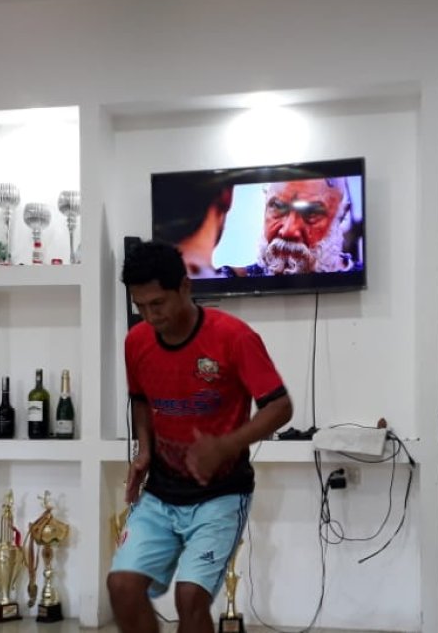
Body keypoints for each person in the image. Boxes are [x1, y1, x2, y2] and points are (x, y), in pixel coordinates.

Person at [108, 240, 293, 633]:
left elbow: (280, 407)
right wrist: (144, 448)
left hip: (221, 495)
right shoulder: (136, 342)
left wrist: (225, 445)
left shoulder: (234, 337)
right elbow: (140, 399)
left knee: (190, 598)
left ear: (186, 288)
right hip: (160, 492)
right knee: (122, 586)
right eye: (140, 306)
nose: (149, 315)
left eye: (157, 303)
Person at [219, 177, 361, 277]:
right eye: (278, 206)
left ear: (340, 216)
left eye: (311, 213)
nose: (288, 230)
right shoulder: (232, 279)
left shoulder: (358, 275)